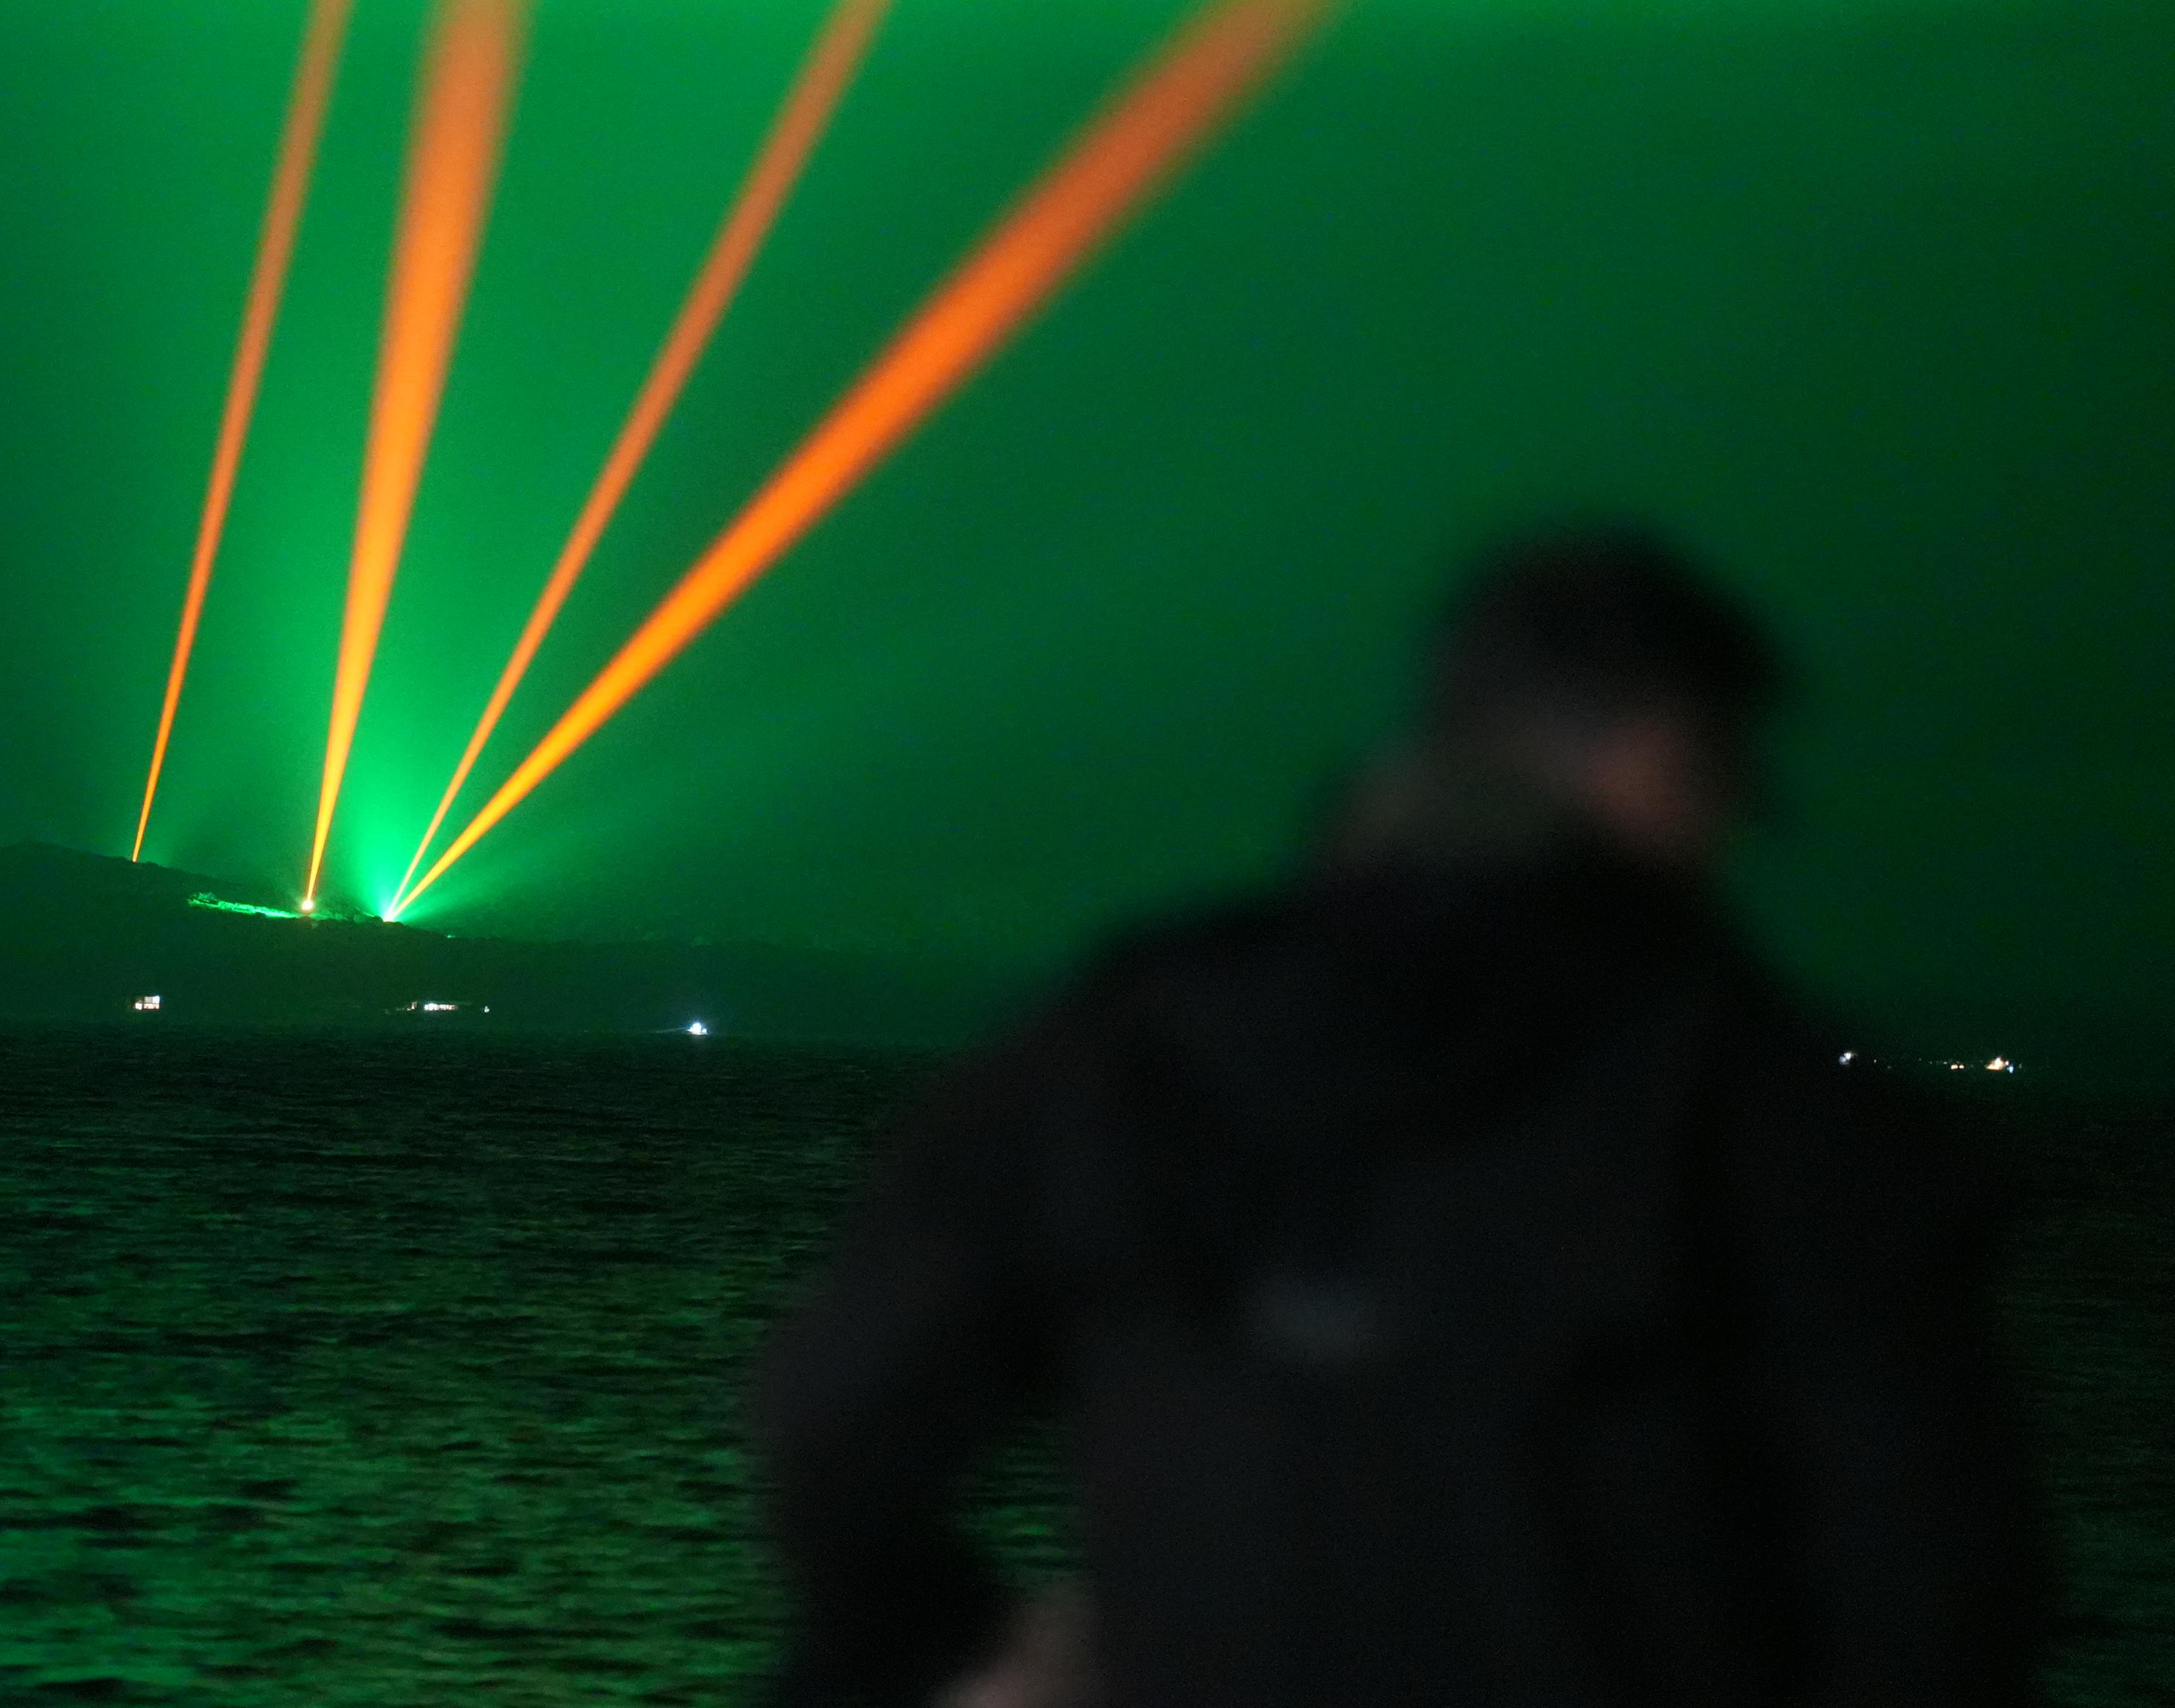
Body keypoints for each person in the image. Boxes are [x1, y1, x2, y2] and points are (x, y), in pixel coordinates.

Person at [754, 529, 2039, 1708]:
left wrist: (957, 1634)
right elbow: (1934, 1587)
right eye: (1724, 786)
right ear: (1659, 758)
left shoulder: (1127, 1044)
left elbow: (834, 1425)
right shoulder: (1776, 1106)